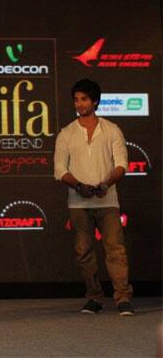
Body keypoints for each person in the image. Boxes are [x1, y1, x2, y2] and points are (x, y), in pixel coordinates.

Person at [54, 78, 134, 316]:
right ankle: (94, 297)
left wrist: (105, 184)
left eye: (84, 99)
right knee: (83, 252)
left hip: (107, 200)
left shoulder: (111, 130)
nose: (79, 104)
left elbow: (122, 165)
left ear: (95, 101)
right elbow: (60, 170)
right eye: (76, 99)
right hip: (78, 202)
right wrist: (79, 186)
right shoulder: (66, 133)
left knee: (115, 250)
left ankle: (122, 298)